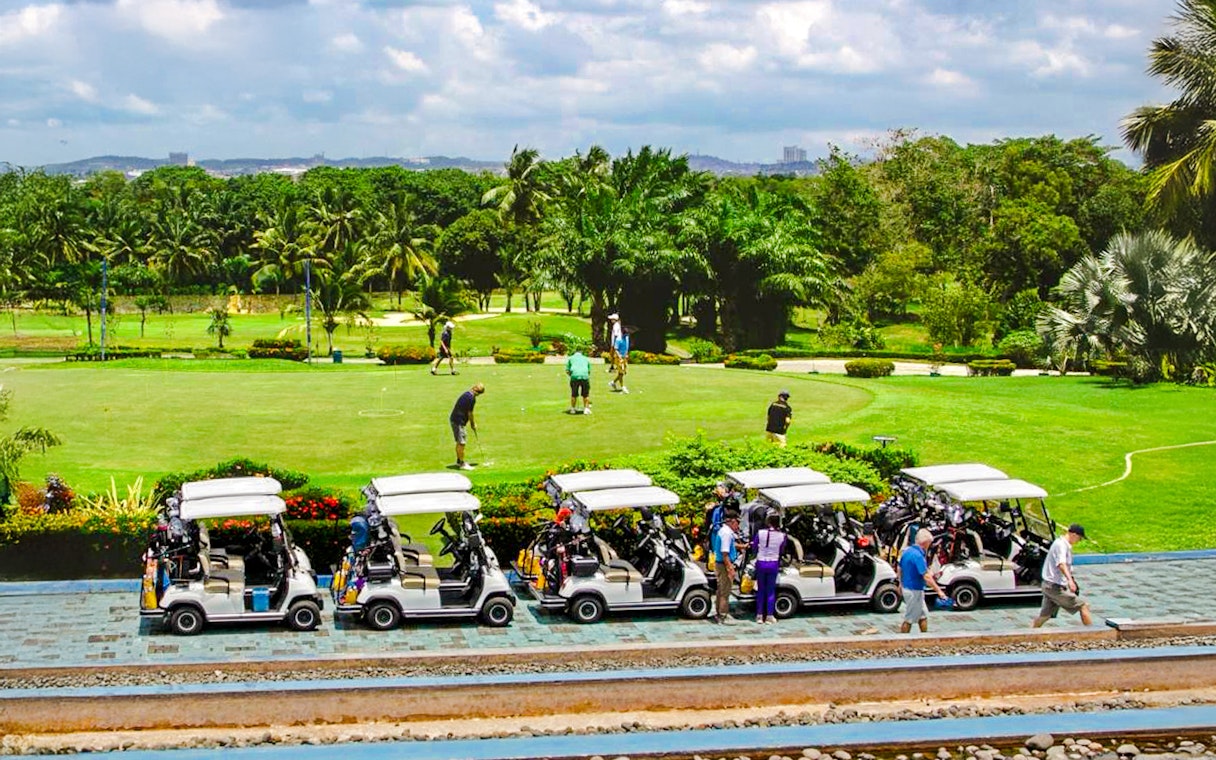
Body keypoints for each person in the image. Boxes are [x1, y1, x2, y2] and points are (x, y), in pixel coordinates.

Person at [1033, 523, 1094, 628]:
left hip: (1049, 585)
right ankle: (1093, 633)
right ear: (1074, 535)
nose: (1078, 541)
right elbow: (1061, 564)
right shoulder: (1061, 545)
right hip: (1054, 588)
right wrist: (1070, 581)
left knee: (1045, 616)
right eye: (1079, 538)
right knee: (1083, 606)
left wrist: (1071, 580)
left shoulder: (1062, 544)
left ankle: (1030, 633)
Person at [899, 528, 947, 633]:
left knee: (923, 615)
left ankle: (925, 637)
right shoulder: (918, 556)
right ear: (925, 543)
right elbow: (926, 576)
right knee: (909, 619)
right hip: (914, 590)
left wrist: (900, 584)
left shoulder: (907, 551)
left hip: (908, 588)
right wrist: (939, 591)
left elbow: (900, 568)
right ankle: (902, 639)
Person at [752, 511, 787, 624]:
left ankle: (759, 615)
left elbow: (754, 547)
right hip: (773, 563)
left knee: (761, 589)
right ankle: (769, 616)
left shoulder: (760, 533)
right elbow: (782, 550)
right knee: (771, 590)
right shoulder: (782, 536)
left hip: (761, 562)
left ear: (768, 522)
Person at [712, 511, 741, 624]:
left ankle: (719, 612)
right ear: (732, 521)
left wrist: (742, 546)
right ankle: (723, 615)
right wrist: (730, 568)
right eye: (737, 522)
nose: (738, 526)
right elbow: (725, 553)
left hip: (720, 563)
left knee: (721, 589)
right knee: (725, 591)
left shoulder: (724, 531)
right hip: (724, 564)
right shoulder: (727, 534)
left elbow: (730, 545)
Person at [449, 383, 484, 470]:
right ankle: (462, 464)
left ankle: (459, 461)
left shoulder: (466, 394)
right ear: (477, 392)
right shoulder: (471, 398)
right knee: (461, 443)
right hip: (458, 421)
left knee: (459, 442)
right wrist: (472, 424)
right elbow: (470, 413)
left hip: (455, 419)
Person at [565, 348, 592, 414]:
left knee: (574, 394)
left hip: (574, 376)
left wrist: (572, 376)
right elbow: (589, 371)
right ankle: (586, 409)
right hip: (584, 376)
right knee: (585, 394)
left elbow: (567, 370)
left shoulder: (570, 358)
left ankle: (573, 409)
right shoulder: (586, 358)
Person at [611, 326, 630, 393]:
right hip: (618, 358)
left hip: (624, 357)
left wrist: (626, 354)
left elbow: (626, 347)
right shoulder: (618, 340)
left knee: (623, 373)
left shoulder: (626, 338)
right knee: (621, 372)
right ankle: (622, 387)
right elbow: (616, 349)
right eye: (625, 334)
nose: (626, 336)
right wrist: (619, 356)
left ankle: (613, 382)